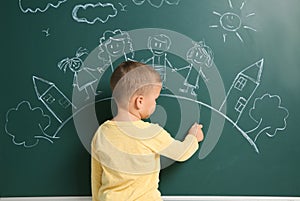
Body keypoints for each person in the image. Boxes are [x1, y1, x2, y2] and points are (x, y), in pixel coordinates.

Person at [91, 61, 204, 201]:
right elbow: (181, 153)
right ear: (140, 101)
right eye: (155, 99)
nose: (156, 103)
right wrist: (193, 137)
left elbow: (96, 177)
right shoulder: (150, 133)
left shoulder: (102, 133)